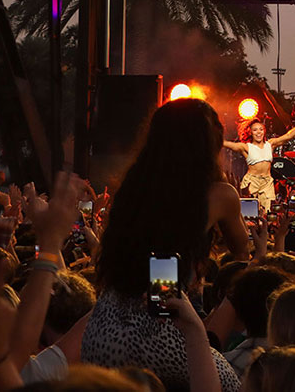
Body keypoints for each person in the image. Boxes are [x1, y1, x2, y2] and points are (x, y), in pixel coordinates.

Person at [83, 98, 250, 391]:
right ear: (209, 143)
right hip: (160, 325)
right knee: (231, 385)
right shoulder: (219, 194)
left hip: (102, 329)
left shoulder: (133, 190)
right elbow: (242, 250)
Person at [224, 116, 295, 211]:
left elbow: (288, 136)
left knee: (269, 211)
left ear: (264, 131)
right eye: (255, 130)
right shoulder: (246, 147)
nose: (258, 132)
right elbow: (229, 145)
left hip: (267, 183)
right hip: (251, 182)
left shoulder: (270, 144)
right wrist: (213, 137)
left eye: (261, 129)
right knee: (247, 211)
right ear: (250, 132)